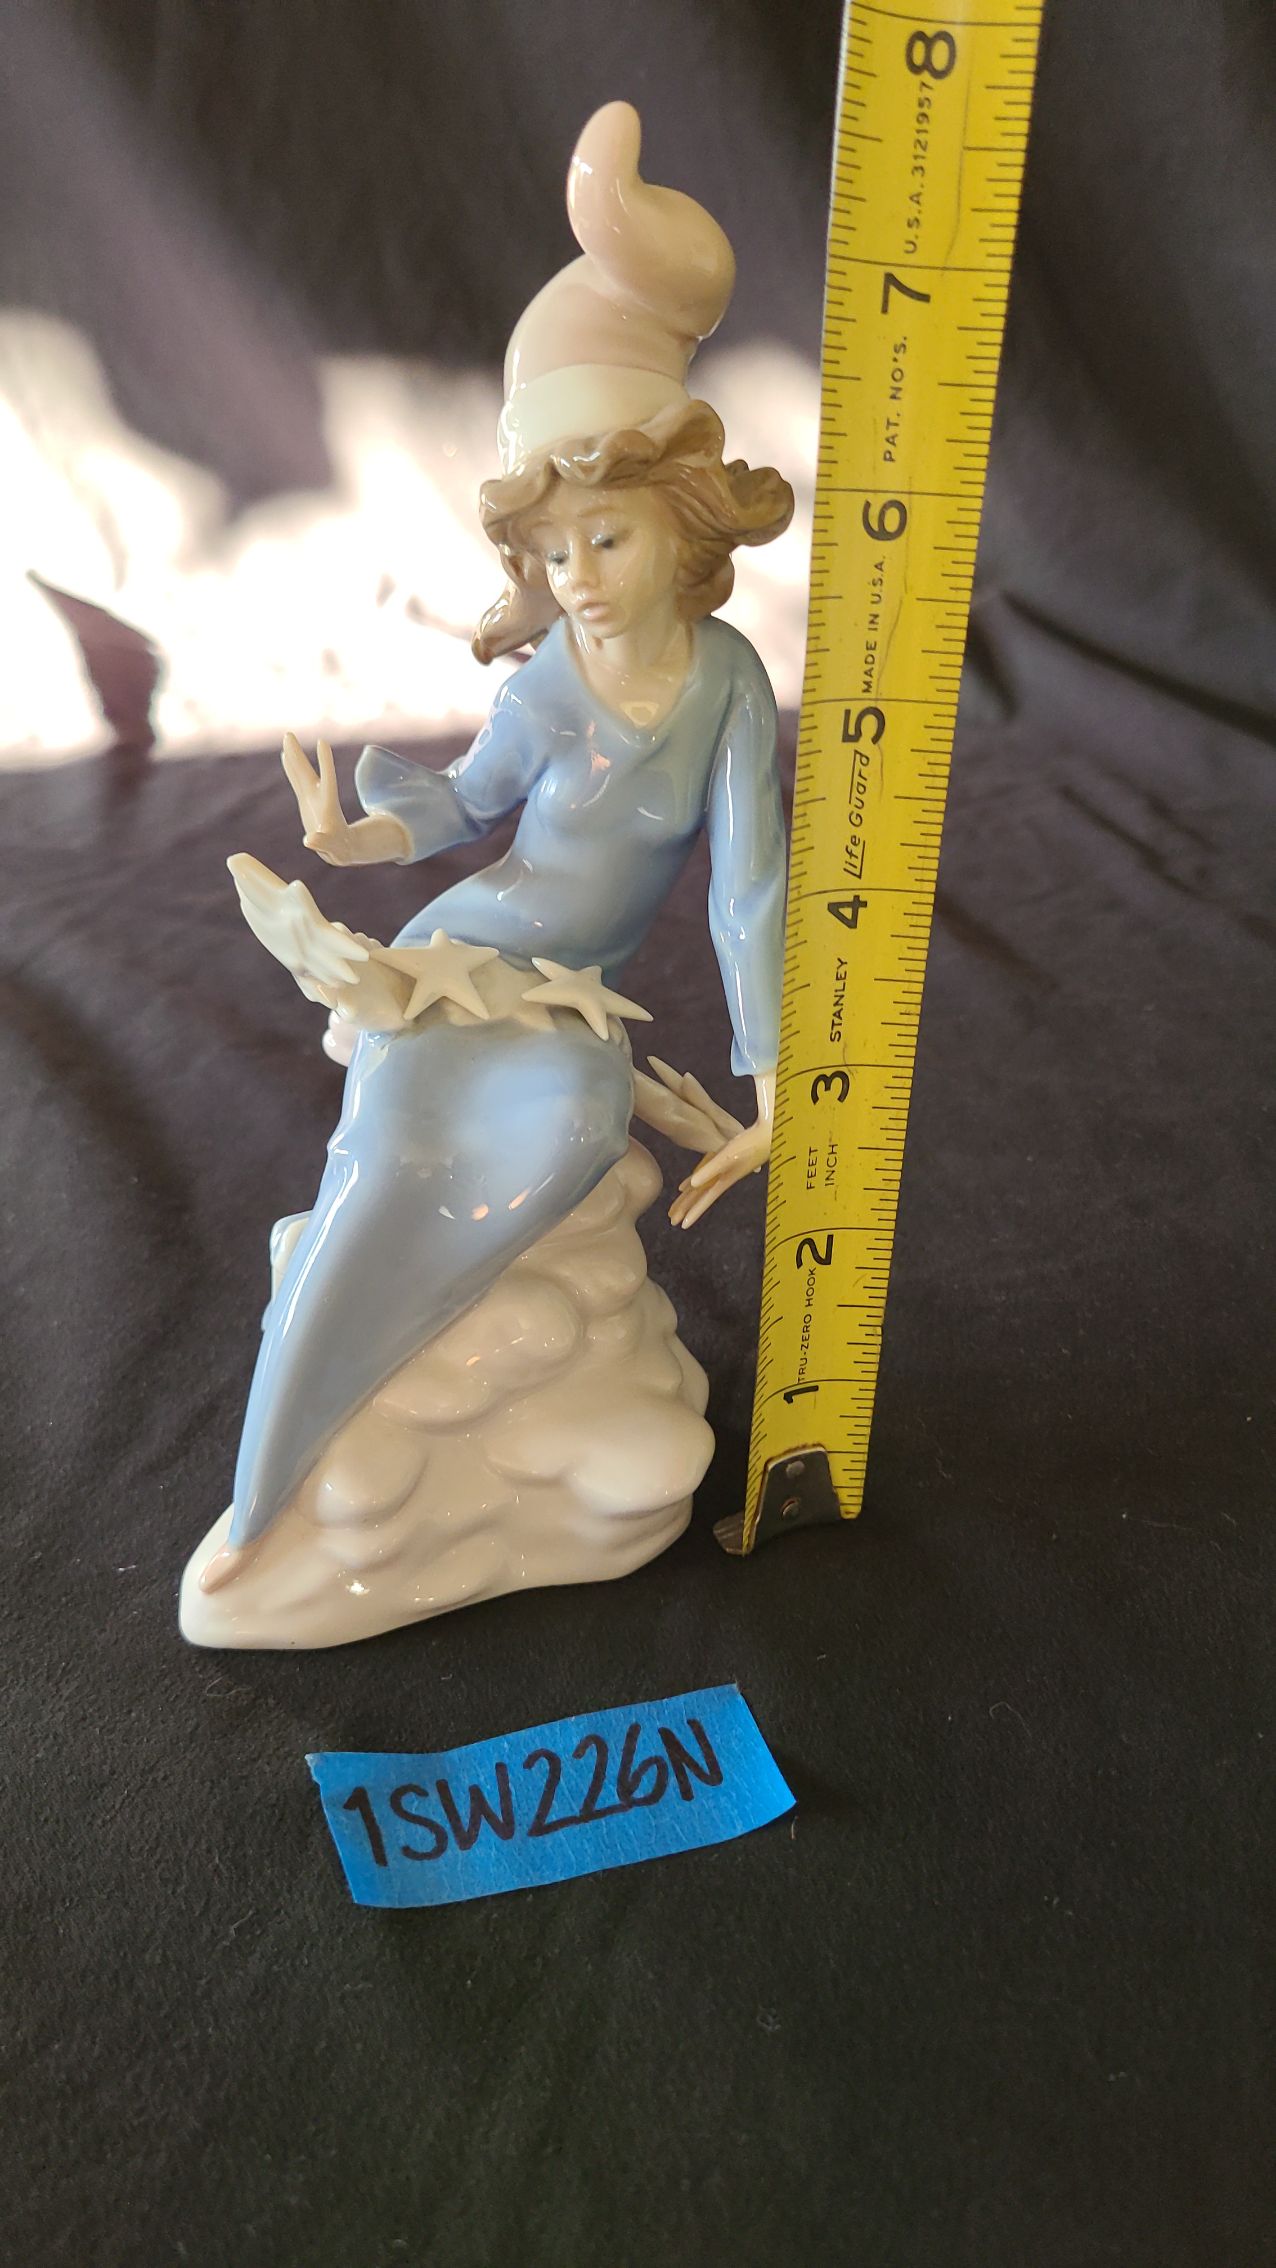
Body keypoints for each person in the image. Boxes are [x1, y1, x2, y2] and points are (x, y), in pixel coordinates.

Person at [193, 101, 794, 1598]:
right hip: (472, 951)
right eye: (554, 550)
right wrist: (357, 832)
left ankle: (348, 1430)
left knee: (567, 1123)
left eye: (612, 538)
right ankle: (291, 1469)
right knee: (412, 1154)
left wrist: (779, 1080)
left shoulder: (727, 687)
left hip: (571, 990)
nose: (578, 578)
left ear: (685, 530)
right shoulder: (545, 686)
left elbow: (749, 889)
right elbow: (468, 805)